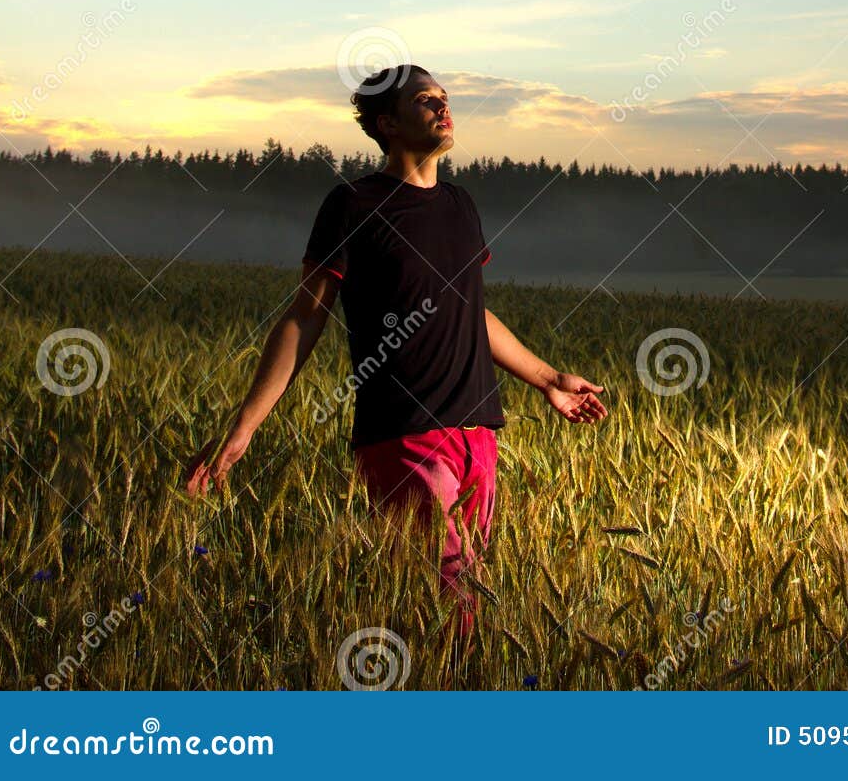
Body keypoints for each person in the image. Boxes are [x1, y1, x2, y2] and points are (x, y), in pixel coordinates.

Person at [184, 63, 607, 632]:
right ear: (387, 122)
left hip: (479, 432)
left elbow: (469, 310)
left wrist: (549, 379)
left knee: (466, 602)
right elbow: (306, 318)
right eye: (425, 99)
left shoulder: (461, 206)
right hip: (403, 433)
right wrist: (246, 426)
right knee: (442, 602)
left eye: (445, 96)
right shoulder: (352, 205)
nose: (442, 106)